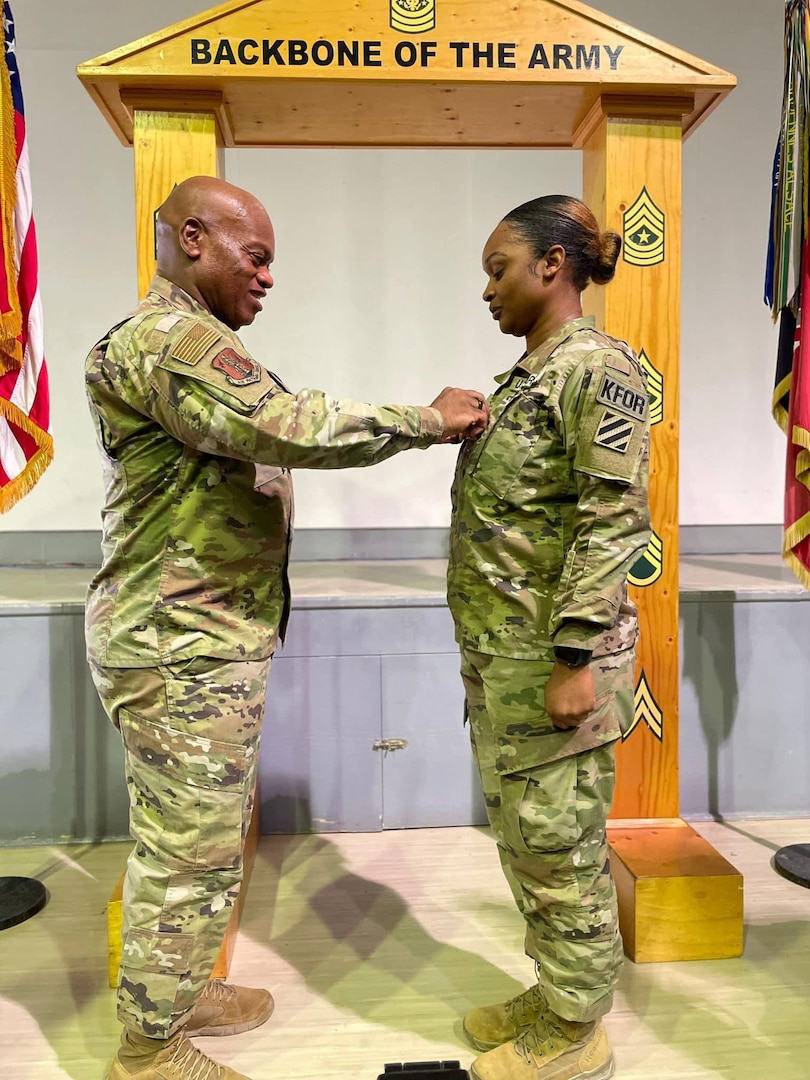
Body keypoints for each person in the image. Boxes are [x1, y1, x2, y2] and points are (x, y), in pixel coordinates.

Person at [85, 175, 490, 1080]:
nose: (267, 278)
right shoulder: (174, 340)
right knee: (185, 850)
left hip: (203, 634)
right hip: (177, 639)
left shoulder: (193, 339)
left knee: (207, 835)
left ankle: (179, 988)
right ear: (194, 238)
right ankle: (148, 1050)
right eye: (255, 257)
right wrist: (423, 420)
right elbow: (285, 424)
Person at [447, 194, 651, 1080]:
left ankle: (576, 1031)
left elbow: (613, 519)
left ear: (552, 267)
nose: (487, 290)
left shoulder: (594, 370)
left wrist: (573, 656)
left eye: (499, 270)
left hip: (553, 665)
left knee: (562, 849)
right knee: (528, 842)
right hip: (507, 659)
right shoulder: (530, 374)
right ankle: (555, 988)